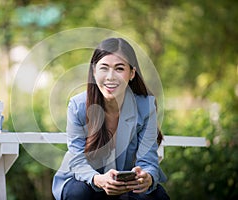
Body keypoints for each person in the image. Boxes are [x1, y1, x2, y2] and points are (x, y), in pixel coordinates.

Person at [52, 38, 170, 200]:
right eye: (104, 68)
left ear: (132, 73)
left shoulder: (145, 106)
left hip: (125, 183)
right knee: (78, 194)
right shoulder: (77, 105)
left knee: (157, 196)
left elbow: (148, 161)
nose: (110, 77)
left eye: (119, 68)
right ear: (94, 72)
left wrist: (147, 177)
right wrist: (99, 180)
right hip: (84, 179)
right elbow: (77, 160)